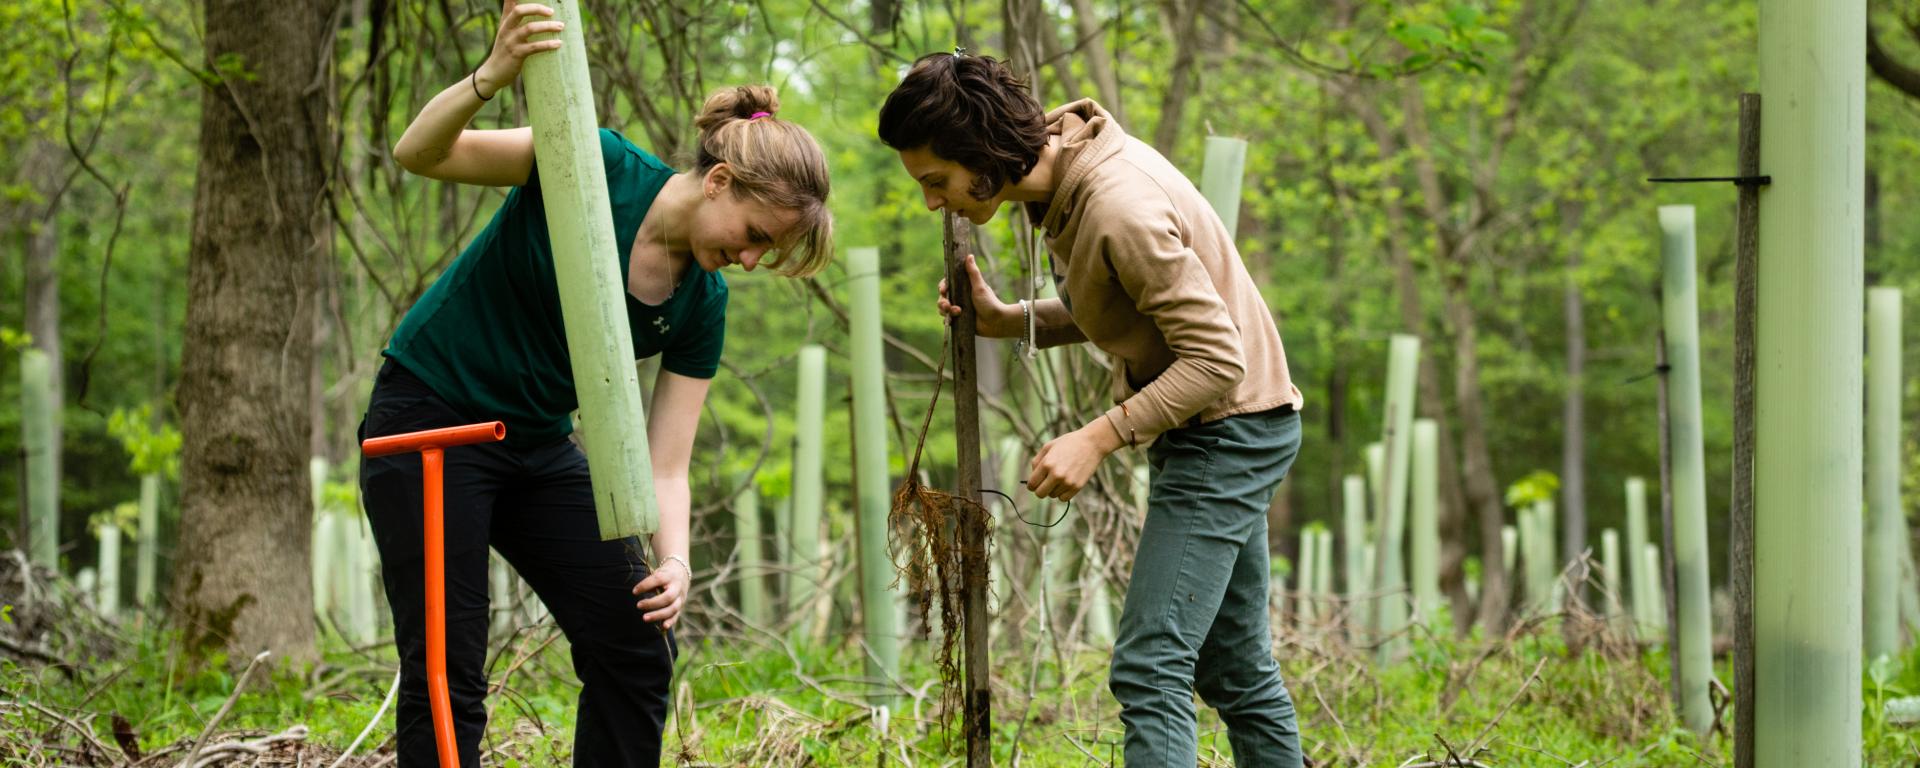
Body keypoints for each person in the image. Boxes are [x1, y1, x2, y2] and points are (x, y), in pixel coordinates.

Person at [360, 3, 832, 765]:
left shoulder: (702, 302)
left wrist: (674, 561)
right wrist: (493, 74)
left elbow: (666, 463)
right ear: (719, 181)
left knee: (637, 643)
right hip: (431, 422)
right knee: (448, 672)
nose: (750, 261)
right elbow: (422, 152)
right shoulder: (593, 160)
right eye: (754, 238)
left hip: (536, 444)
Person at [880, 51, 1307, 767]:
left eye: (937, 181)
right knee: (1230, 664)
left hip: (1227, 432)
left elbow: (1216, 358)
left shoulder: (1117, 205)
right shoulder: (1069, 177)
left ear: (983, 155)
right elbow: (1121, 300)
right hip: (1225, 423)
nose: (933, 202)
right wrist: (1010, 319)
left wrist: (1099, 436)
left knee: (1150, 664)